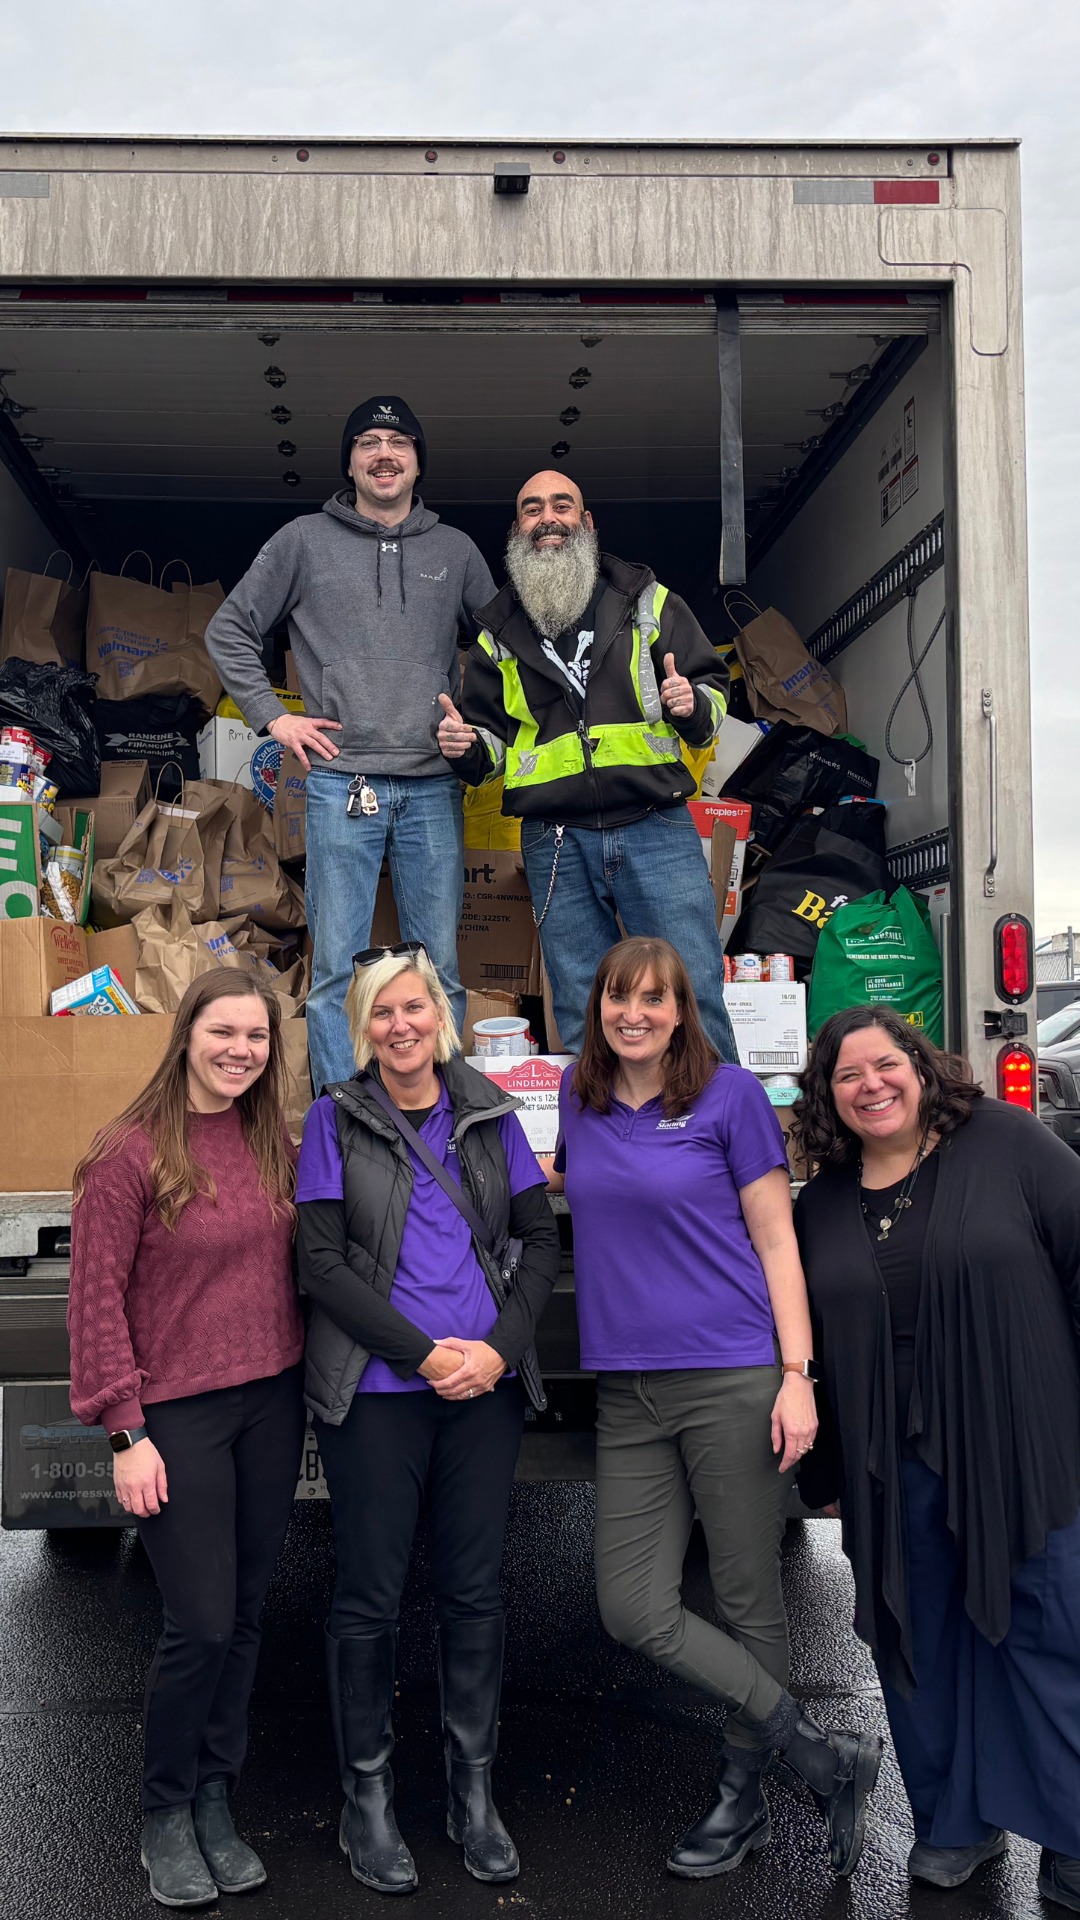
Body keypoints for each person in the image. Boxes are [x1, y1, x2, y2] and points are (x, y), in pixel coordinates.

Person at [545, 936, 882, 1881]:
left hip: (733, 1376)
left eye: (654, 999)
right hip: (629, 1390)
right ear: (598, 1006)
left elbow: (778, 1244)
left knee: (745, 1594)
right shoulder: (582, 1097)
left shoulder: (730, 1098)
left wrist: (796, 1374)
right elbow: (573, 1186)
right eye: (619, 998)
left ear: (684, 1008)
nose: (634, 1014)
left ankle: (744, 1797)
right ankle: (818, 1754)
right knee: (631, 1604)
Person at [791, 1005, 1080, 1911]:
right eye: (847, 1075)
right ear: (827, 1098)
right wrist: (828, 1474)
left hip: (1020, 1437)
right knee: (917, 1634)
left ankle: (1073, 1831)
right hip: (888, 1456)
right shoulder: (823, 1200)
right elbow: (816, 1351)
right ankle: (953, 1820)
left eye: (886, 1065)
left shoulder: (1009, 1144)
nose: (871, 1085)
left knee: (1047, 1631)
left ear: (922, 1068)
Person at [295, 942, 560, 1894]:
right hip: (377, 1393)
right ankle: (366, 1799)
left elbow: (537, 1242)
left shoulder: (490, 1113)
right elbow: (319, 1265)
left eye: (413, 1009)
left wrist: (495, 1350)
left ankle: (471, 1792)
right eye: (380, 1013)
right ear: (360, 1028)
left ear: (439, 1016)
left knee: (473, 1590)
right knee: (368, 1595)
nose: (400, 1027)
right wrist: (426, 1354)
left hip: (481, 1391)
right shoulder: (334, 1119)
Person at [67, 971, 305, 1911]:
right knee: (199, 1621)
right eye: (224, 1032)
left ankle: (216, 1795)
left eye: (257, 1036)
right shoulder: (128, 1154)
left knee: (246, 1614)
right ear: (186, 1033)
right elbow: (93, 1302)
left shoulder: (268, 1141)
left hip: (270, 1403)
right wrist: (125, 1430)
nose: (241, 1050)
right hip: (178, 1416)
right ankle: (163, 1810)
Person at [206, 395, 496, 1094]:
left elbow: (502, 654)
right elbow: (229, 630)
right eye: (368, 442)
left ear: (418, 461)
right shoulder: (303, 540)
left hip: (432, 784)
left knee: (437, 968)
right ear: (350, 461)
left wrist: (478, 733)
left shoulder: (455, 551)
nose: (384, 453)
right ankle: (344, 1121)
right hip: (342, 783)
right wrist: (276, 718)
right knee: (339, 964)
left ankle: (447, 1116)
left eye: (398, 441)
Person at [436, 469, 737, 1059]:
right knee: (580, 1001)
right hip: (555, 840)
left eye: (561, 505)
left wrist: (692, 704)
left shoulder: (648, 601)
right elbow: (491, 743)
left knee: (693, 987)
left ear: (587, 522)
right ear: (516, 530)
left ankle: (719, 1141)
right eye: (531, 509)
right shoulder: (496, 632)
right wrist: (465, 747)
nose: (547, 518)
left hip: (655, 822)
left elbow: (711, 687)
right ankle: (602, 1143)